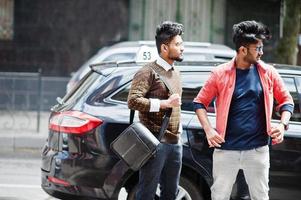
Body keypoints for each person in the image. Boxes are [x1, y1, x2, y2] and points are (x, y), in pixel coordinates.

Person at [193, 20, 294, 200]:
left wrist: (282, 124)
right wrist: (208, 130)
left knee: (261, 196)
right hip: (226, 149)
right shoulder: (220, 73)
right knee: (219, 196)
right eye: (258, 48)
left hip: (258, 150)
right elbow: (199, 102)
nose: (262, 52)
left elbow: (286, 101)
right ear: (243, 50)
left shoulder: (268, 72)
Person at [127, 21, 184, 200]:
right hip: (155, 142)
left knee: (170, 194)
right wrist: (164, 104)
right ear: (165, 47)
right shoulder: (148, 72)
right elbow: (133, 101)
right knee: (147, 193)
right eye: (178, 44)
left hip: (175, 143)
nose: (182, 48)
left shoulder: (176, 72)